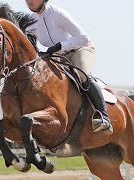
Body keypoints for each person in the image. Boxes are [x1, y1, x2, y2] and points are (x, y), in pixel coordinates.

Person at [25, 0, 113, 135]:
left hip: (80, 49)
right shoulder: (31, 21)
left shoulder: (57, 14)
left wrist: (59, 46)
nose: (29, 1)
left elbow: (83, 37)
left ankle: (104, 117)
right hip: (58, 56)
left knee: (81, 73)